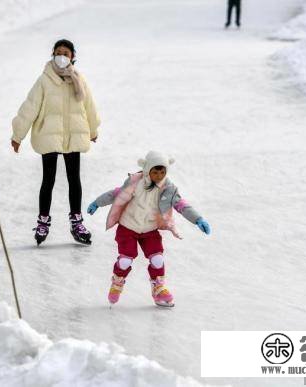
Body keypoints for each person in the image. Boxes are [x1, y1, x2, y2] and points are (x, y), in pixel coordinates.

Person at [87, 151, 211, 307]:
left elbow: (181, 205)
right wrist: (97, 203)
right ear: (147, 170)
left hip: (150, 230)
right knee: (125, 260)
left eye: (162, 172)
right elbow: (115, 193)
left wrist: (197, 219)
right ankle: (117, 282)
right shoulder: (135, 183)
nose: (159, 175)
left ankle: (158, 288)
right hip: (128, 228)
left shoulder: (169, 188)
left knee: (157, 259)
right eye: (155, 171)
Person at [11, 39, 100, 246]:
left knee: (74, 179)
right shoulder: (44, 80)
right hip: (49, 135)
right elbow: (29, 108)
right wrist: (18, 135)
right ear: (53, 54)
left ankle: (76, 221)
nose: (62, 56)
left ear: (72, 57)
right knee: (48, 180)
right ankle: (43, 221)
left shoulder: (79, 80)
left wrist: (93, 129)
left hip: (73, 135)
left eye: (66, 53)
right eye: (58, 52)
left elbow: (89, 106)